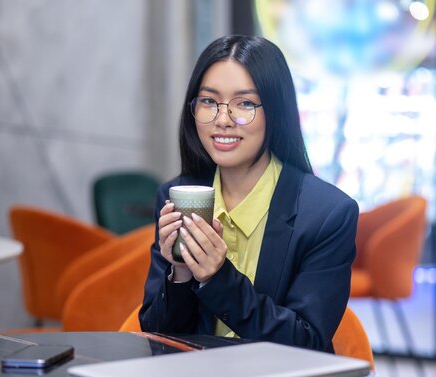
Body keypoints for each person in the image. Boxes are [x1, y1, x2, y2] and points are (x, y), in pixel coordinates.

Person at [139, 35, 359, 353]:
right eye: (209, 102)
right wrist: (182, 272)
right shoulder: (175, 197)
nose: (223, 120)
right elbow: (158, 337)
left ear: (276, 111)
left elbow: (306, 344)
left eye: (244, 103)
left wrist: (217, 277)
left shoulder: (327, 214)